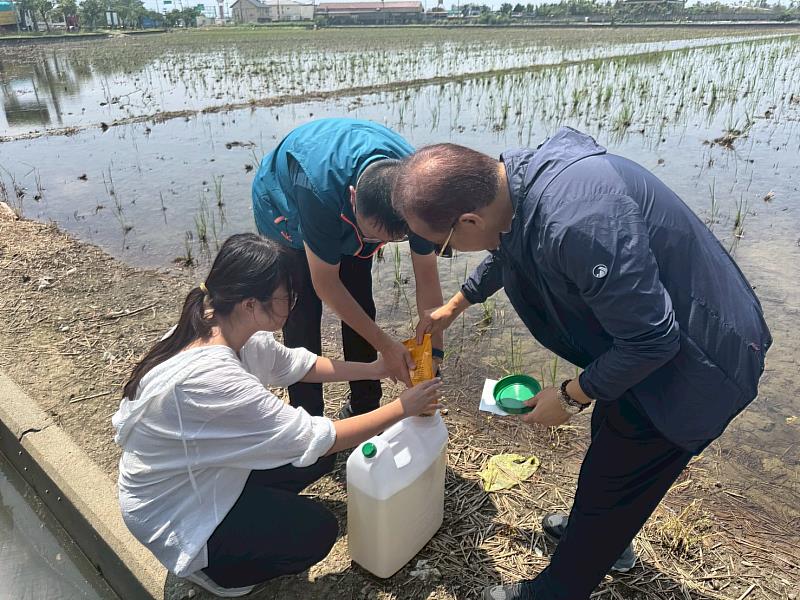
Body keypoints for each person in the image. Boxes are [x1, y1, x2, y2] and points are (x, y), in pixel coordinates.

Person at [391, 128, 772, 600]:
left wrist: (572, 397)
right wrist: (458, 304)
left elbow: (653, 339)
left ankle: (560, 588)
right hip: (651, 346)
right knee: (609, 456)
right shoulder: (516, 189)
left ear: (468, 220)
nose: (451, 255)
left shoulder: (578, 222)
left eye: (445, 247)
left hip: (697, 364)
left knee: (617, 472)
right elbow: (507, 247)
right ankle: (605, 538)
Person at [112, 233, 442, 598]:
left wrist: (377, 369)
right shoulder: (215, 380)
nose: (294, 304)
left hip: (203, 472)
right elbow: (320, 437)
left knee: (319, 461)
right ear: (251, 303)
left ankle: (247, 517)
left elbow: (296, 364)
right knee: (317, 532)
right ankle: (216, 572)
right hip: (178, 510)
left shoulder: (219, 321)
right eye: (288, 296)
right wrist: (401, 409)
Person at [252, 118, 444, 419]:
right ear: (354, 197)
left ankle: (364, 407)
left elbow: (428, 279)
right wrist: (387, 346)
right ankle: (308, 418)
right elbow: (326, 285)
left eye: (385, 241)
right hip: (287, 204)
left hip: (349, 204)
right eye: (369, 236)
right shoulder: (317, 188)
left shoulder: (416, 195)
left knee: (359, 300)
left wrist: (435, 353)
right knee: (300, 311)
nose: (369, 245)